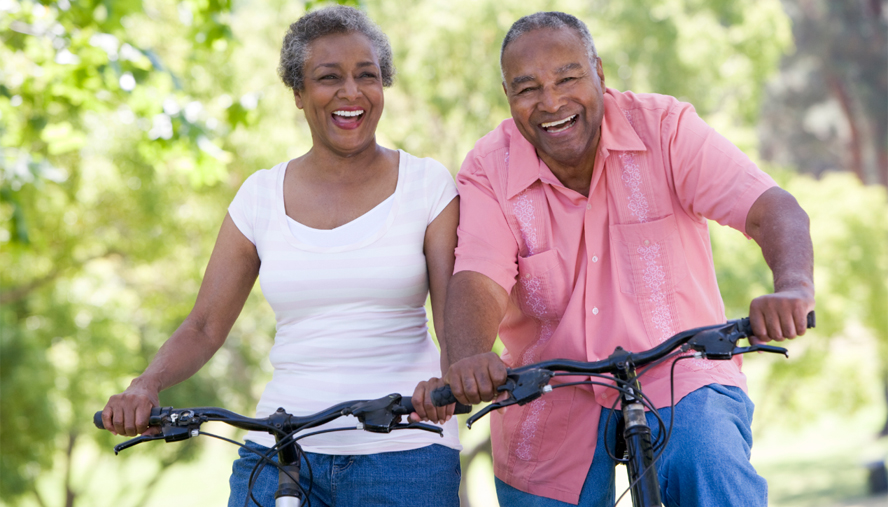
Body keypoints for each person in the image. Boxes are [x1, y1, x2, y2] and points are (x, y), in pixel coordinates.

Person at [413, 11, 815, 507]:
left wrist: (793, 286)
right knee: (536, 490)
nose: (552, 101)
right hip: (547, 390)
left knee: (708, 458)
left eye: (568, 78)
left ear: (599, 72)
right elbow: (478, 277)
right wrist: (470, 355)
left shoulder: (665, 129)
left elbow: (770, 209)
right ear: (507, 97)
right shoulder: (488, 167)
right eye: (527, 88)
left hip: (677, 371)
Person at [100, 6, 461, 507]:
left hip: (406, 445)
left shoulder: (428, 185)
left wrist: (450, 381)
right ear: (297, 93)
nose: (351, 93)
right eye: (328, 78)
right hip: (282, 445)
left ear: (384, 86)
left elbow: (453, 321)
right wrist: (146, 384)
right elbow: (205, 325)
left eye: (367, 76)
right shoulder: (260, 196)